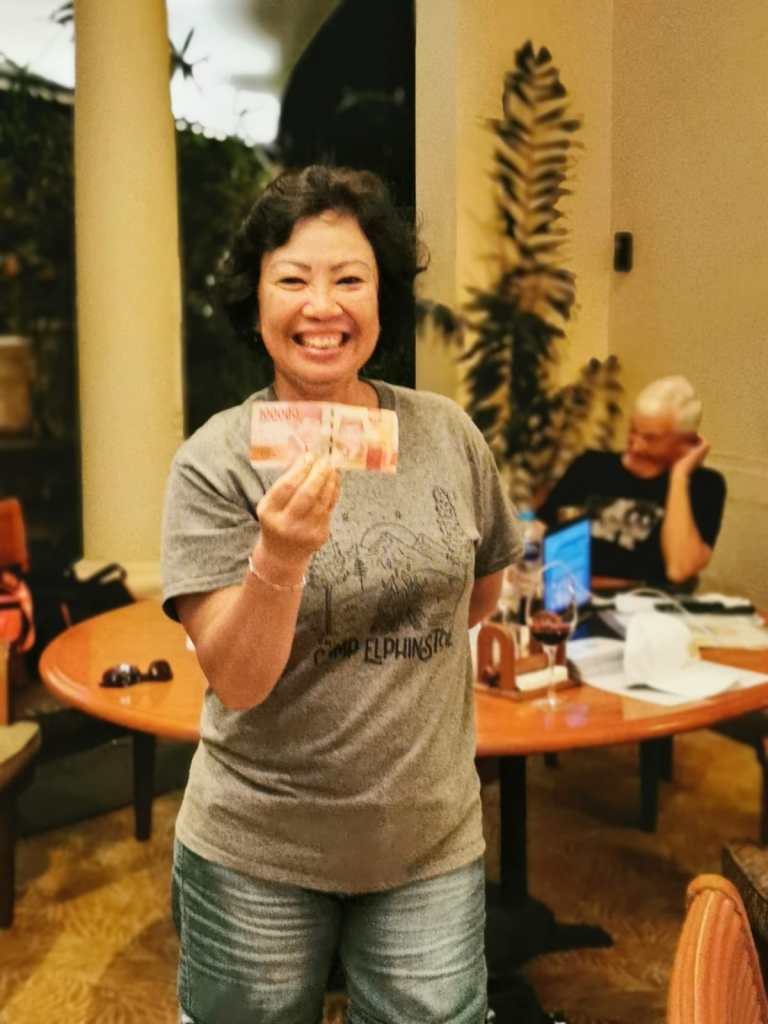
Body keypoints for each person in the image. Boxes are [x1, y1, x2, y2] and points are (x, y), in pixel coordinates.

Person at [161, 165, 521, 1024]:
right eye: (292, 279)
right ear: (255, 302)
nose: (322, 306)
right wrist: (281, 558)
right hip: (257, 849)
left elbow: (476, 596)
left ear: (382, 297)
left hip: (429, 844)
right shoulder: (215, 461)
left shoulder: (446, 433)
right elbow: (237, 680)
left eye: (349, 279)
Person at [537, 375, 726, 589]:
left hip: (647, 604)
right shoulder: (590, 466)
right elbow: (540, 529)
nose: (635, 444)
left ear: (686, 442)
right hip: (570, 595)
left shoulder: (705, 485)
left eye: (650, 438)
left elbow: (679, 570)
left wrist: (679, 476)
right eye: (633, 431)